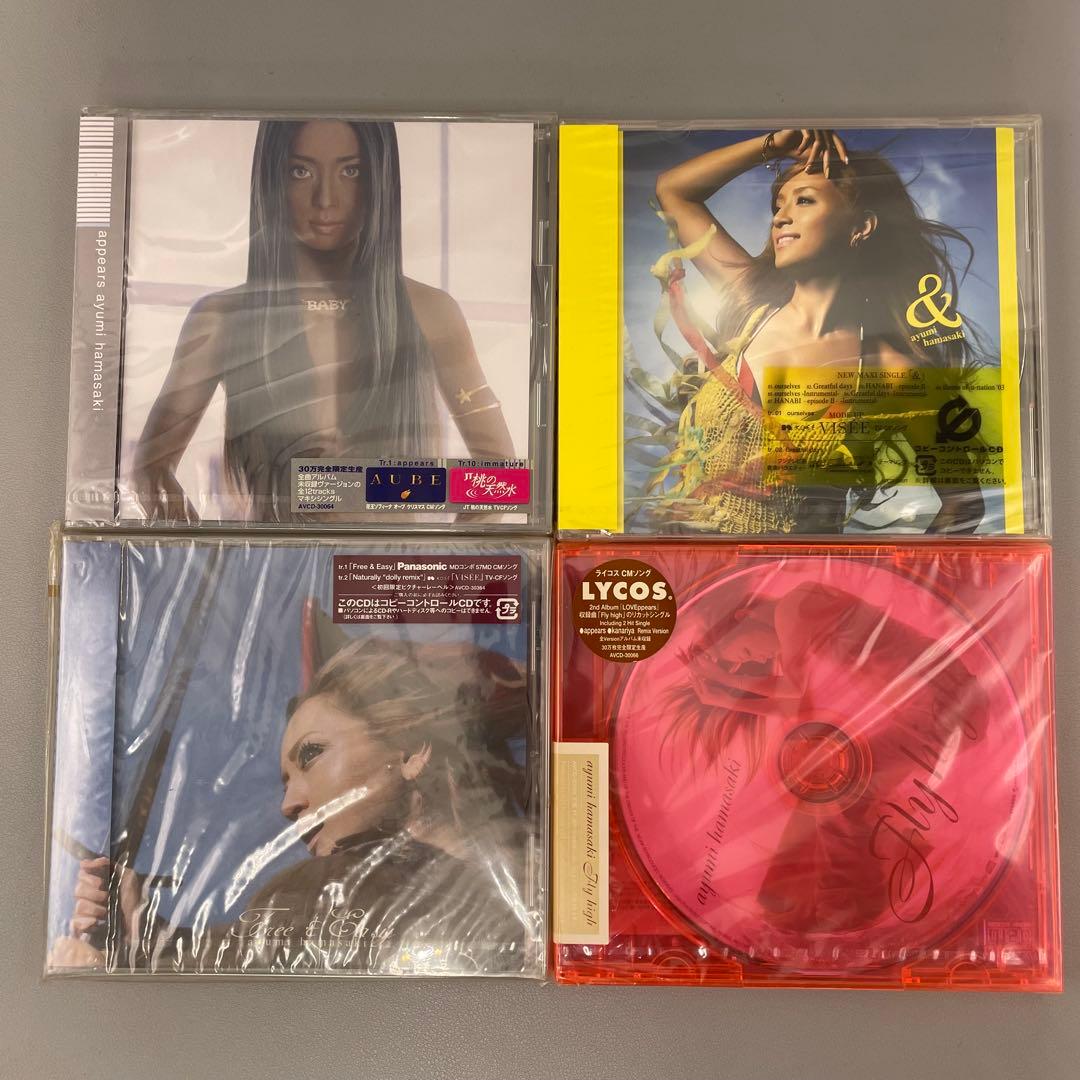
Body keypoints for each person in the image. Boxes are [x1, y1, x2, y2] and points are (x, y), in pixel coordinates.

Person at [51, 638, 536, 975]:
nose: (287, 804)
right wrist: (140, 922)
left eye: (312, 755)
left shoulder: (332, 885)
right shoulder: (525, 898)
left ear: (410, 751)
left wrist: (95, 975)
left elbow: (226, 984)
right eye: (286, 781)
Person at [132, 119, 515, 523]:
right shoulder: (222, 320)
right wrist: (207, 560)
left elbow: (503, 478)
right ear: (273, 179)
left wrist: (358, 490)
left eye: (351, 171)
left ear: (379, 179)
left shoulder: (432, 313)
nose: (326, 199)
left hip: (384, 566)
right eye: (301, 171)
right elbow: (151, 471)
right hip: (274, 562)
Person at [650, 128, 984, 534]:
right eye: (779, 204)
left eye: (804, 200)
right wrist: (774, 144)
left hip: (791, 574)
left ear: (861, 227)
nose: (780, 217)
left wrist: (897, 570)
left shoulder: (889, 369)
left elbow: (964, 505)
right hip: (679, 560)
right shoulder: (750, 306)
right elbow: (674, 191)